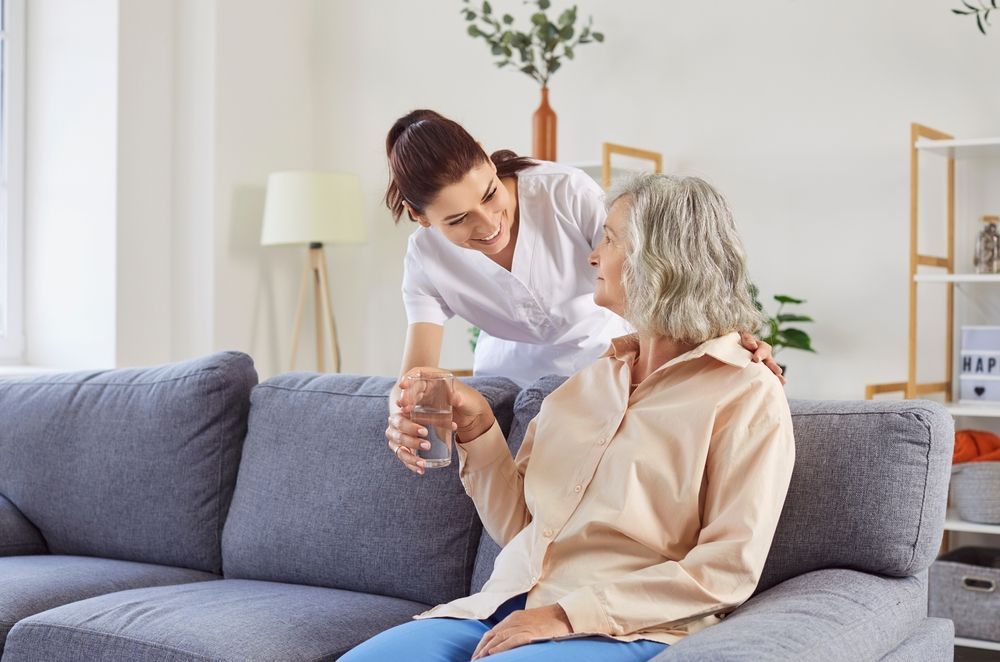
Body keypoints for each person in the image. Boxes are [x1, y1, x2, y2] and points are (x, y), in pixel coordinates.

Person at [350, 173, 796, 661]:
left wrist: (564, 617)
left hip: (618, 628)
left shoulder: (746, 393)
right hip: (501, 609)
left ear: (662, 261)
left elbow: (726, 569)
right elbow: (524, 526)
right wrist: (478, 428)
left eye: (609, 239)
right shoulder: (584, 386)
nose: (593, 256)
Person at [384, 109, 780, 388]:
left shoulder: (564, 193)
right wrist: (406, 411)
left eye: (489, 194)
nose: (488, 224)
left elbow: (657, 274)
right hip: (506, 386)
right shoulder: (426, 259)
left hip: (604, 370)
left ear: (487, 157)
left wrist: (730, 342)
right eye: (457, 220)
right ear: (420, 217)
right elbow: (416, 376)